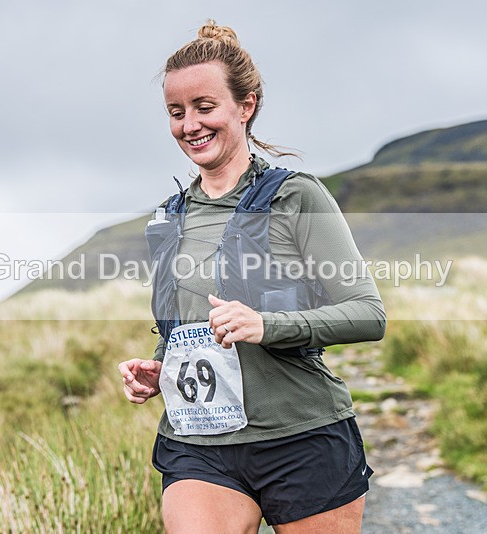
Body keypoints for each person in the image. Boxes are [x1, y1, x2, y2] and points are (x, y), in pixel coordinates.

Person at [117, 20, 386, 533]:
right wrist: (160, 367)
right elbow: (186, 324)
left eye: (204, 107)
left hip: (301, 436)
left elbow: (369, 315)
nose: (190, 125)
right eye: (176, 112)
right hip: (199, 442)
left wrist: (267, 325)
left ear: (246, 106)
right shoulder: (169, 216)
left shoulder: (296, 196)